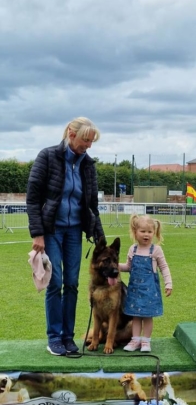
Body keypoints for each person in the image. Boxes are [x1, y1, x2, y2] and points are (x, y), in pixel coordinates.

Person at [26, 116, 104, 356]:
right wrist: (38, 233)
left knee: (72, 284)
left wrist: (100, 238)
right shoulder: (47, 157)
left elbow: (91, 204)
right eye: (85, 140)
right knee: (55, 283)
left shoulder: (88, 165)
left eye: (91, 142)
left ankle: (68, 338)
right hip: (51, 231)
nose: (88, 146)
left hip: (74, 232)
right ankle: (54, 338)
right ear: (71, 133)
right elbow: (33, 198)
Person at [119, 214, 172, 352]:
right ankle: (135, 340)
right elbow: (128, 267)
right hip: (135, 290)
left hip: (150, 291)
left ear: (154, 233)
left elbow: (164, 267)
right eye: (143, 231)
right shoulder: (133, 249)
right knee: (136, 316)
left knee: (147, 317)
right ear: (135, 232)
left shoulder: (156, 250)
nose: (146, 234)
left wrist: (168, 283)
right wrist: (115, 266)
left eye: (149, 232)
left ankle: (146, 341)